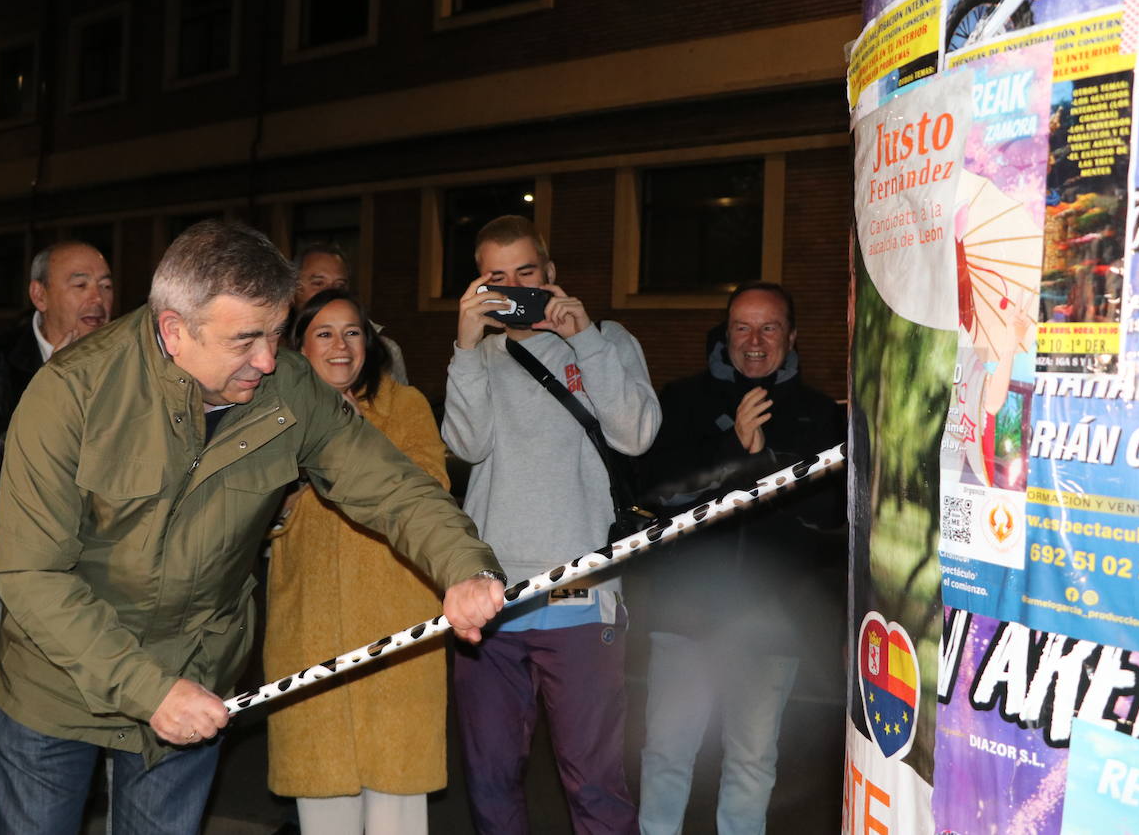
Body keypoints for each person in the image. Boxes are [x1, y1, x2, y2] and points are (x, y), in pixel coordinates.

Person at [0, 220, 506, 834]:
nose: (267, 359)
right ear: (174, 330)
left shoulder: (287, 389)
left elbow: (389, 485)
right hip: (59, 681)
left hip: (196, 673)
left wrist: (465, 566)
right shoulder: (71, 393)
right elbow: (30, 571)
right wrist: (148, 690)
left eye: (276, 333)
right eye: (245, 340)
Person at [441, 215, 659, 834]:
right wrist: (463, 347)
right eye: (495, 277)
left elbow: (636, 435)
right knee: (491, 781)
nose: (513, 288)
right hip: (494, 597)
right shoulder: (479, 353)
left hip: (582, 596)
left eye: (526, 273)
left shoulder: (606, 339)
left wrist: (585, 339)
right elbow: (465, 444)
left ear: (551, 273)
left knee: (595, 783)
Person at [636, 282, 844, 835]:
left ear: (791, 336)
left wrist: (767, 461)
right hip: (685, 617)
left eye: (769, 327)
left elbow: (830, 515)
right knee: (666, 755)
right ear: (724, 334)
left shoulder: (820, 415)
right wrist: (734, 454)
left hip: (770, 624)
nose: (754, 341)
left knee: (752, 763)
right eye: (741, 328)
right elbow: (659, 492)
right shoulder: (682, 401)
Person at [265, 289, 450, 834]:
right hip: (309, 633)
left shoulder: (406, 406)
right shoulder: (272, 415)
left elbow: (431, 491)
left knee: (397, 808)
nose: (341, 345)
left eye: (352, 332)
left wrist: (349, 432)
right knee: (324, 811)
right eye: (324, 333)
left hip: (397, 630)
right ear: (298, 347)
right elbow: (250, 515)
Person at [0, 239, 113, 790]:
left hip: (114, 559)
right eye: (79, 283)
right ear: (39, 294)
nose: (98, 297)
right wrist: (52, 403)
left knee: (109, 681)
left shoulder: (132, 358)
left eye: (106, 284)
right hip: (24, 557)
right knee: (33, 696)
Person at [293, 243, 407, 383]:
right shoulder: (272, 344)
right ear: (294, 288)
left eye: (340, 285)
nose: (330, 292)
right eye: (318, 283)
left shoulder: (383, 350)